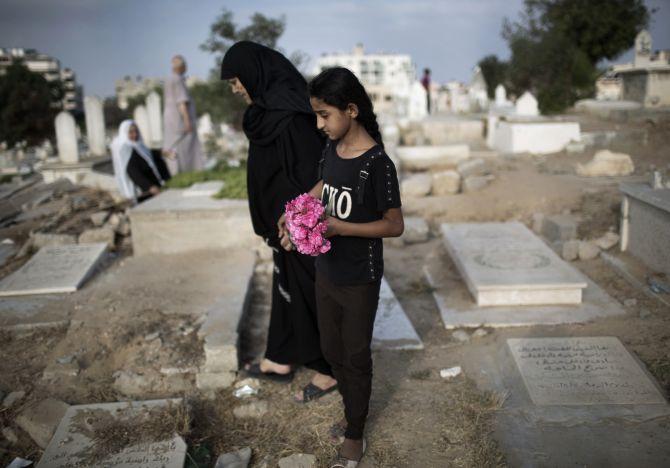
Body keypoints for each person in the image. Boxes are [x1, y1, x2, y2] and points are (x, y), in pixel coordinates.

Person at [292, 67, 404, 467]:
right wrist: (297, 213)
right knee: (331, 349)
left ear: (351, 110)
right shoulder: (332, 150)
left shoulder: (377, 163)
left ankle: (355, 433)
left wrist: (341, 227)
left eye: (325, 115)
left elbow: (394, 224)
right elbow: (323, 186)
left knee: (355, 357)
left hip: (359, 277)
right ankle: (349, 407)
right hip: (327, 270)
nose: (320, 124)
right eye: (317, 116)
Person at [220, 41, 337, 402]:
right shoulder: (265, 111)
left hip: (300, 224)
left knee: (311, 293)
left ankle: (330, 370)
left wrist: (297, 223)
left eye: (237, 79)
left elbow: (313, 174)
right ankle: (280, 358)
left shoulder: (292, 113)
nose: (235, 88)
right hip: (281, 224)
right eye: (231, 83)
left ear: (255, 72)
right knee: (286, 288)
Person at [110, 119, 171, 202]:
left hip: (154, 185)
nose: (135, 135)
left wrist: (162, 152)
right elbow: (133, 171)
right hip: (143, 191)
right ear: (124, 134)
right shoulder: (125, 149)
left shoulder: (138, 145)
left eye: (136, 131)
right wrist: (150, 187)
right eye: (131, 132)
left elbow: (148, 154)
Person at [162, 55, 204, 174]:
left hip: (170, 119)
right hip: (179, 120)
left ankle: (175, 171)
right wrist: (187, 121)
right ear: (181, 66)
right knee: (184, 148)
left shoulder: (168, 79)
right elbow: (182, 102)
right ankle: (187, 172)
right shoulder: (178, 79)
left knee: (173, 146)